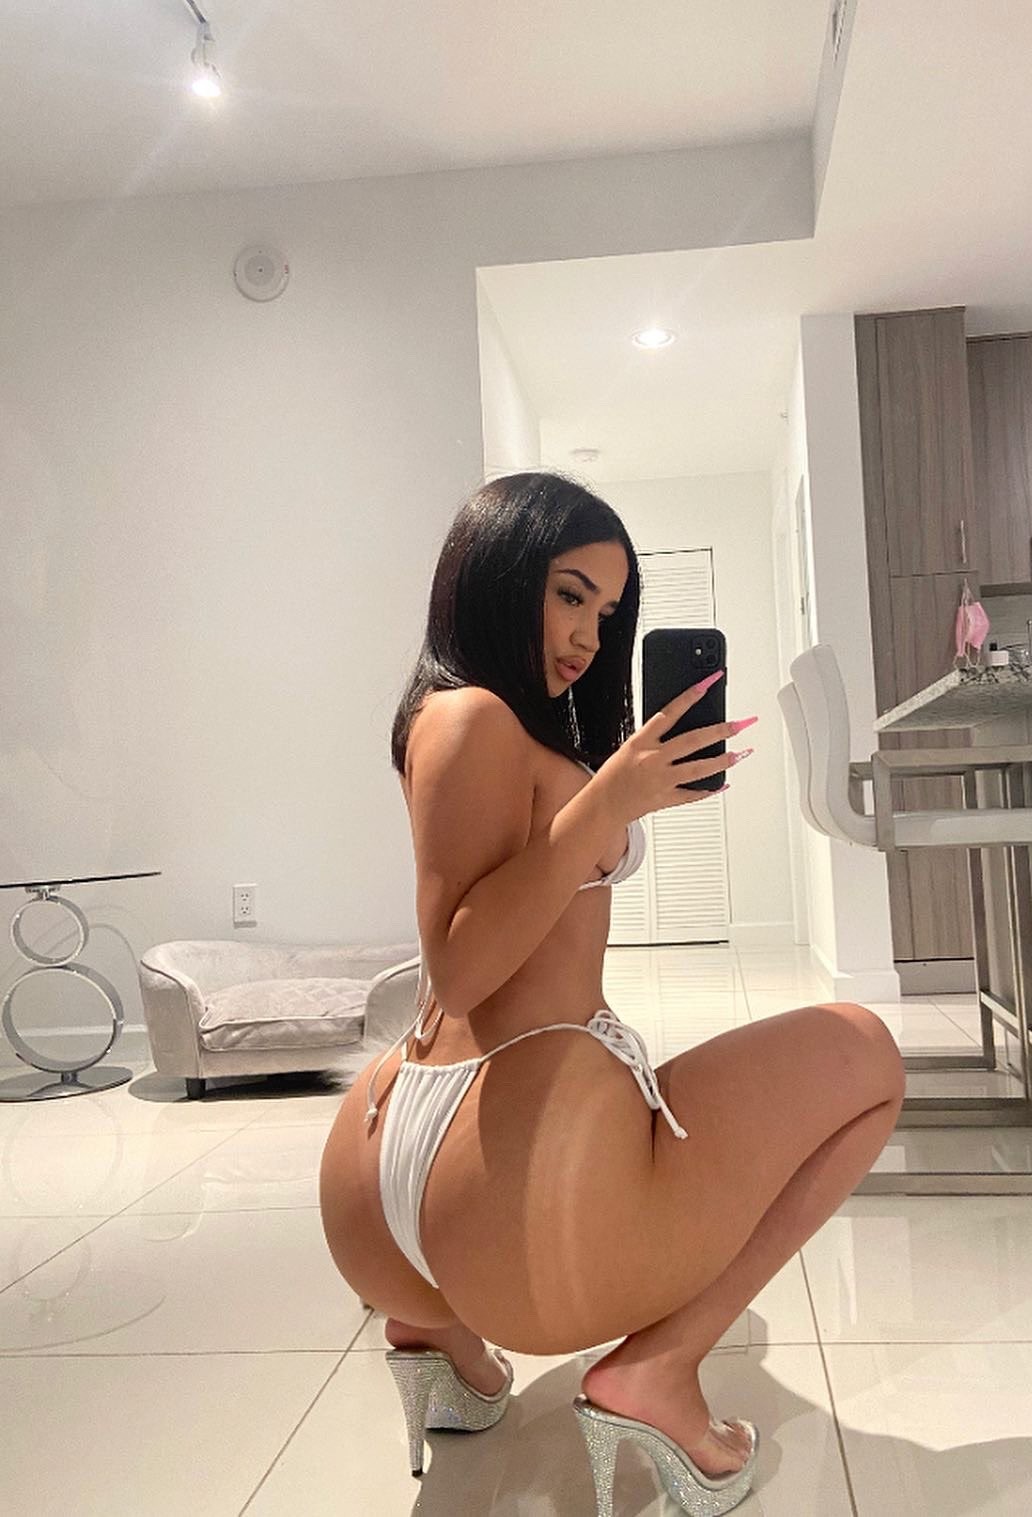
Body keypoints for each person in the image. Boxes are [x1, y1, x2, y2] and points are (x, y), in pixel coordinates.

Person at [319, 471, 905, 1514]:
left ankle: (443, 1341)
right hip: (499, 1160)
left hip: (391, 1166)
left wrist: (607, 796)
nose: (589, 634)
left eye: (607, 609)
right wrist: (606, 804)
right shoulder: (472, 716)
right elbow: (458, 965)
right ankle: (657, 1372)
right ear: (498, 577)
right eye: (568, 594)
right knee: (865, 1053)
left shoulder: (472, 722)